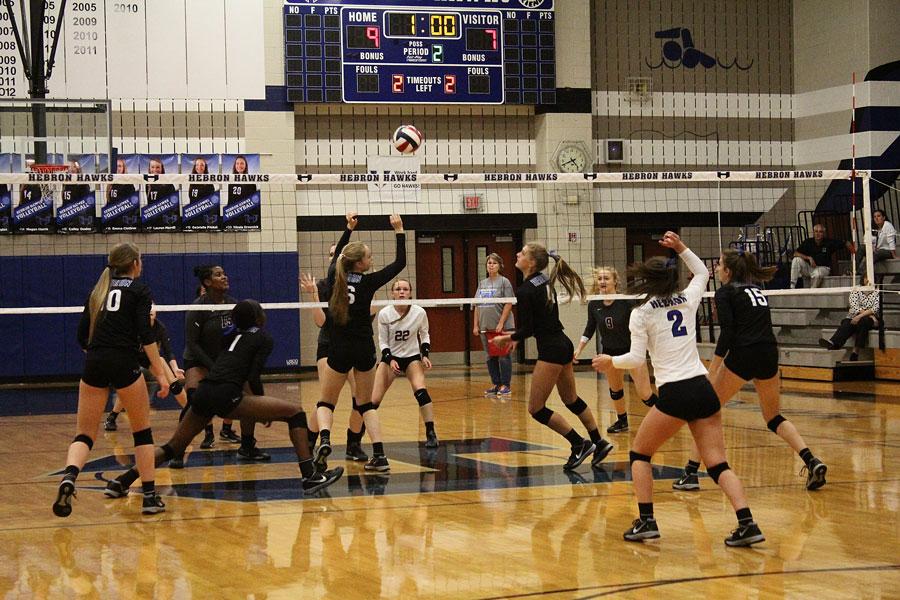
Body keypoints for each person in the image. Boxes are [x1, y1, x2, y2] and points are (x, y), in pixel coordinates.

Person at [592, 232, 764, 546]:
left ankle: (646, 521)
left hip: (675, 392)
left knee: (640, 454)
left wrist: (609, 361)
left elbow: (634, 358)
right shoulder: (687, 299)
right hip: (703, 389)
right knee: (717, 463)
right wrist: (682, 247)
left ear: (648, 280)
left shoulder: (641, 313)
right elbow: (702, 272)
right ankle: (747, 523)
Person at [103, 300, 344, 501]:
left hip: (205, 392)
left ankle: (121, 481)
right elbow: (252, 376)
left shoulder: (231, 337)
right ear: (258, 319)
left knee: (173, 447)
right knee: (295, 412)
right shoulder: (262, 338)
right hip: (226, 394)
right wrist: (260, 406)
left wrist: (259, 408)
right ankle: (309, 475)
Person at [673, 248, 827, 494]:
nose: (716, 269)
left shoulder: (725, 293)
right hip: (768, 353)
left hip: (744, 354)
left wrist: (712, 368)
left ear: (728, 270)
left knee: (705, 412)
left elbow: (728, 333)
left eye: (719, 264)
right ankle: (811, 460)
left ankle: (691, 473)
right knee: (773, 417)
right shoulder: (756, 290)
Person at [53, 242, 169, 517]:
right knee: (142, 432)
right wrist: (161, 374)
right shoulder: (140, 291)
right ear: (135, 264)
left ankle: (69, 476)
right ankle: (150, 497)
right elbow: (147, 336)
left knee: (84, 433)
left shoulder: (98, 291)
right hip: (124, 361)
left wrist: (100, 354)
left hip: (94, 360)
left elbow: (83, 337)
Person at [491, 244, 614, 471]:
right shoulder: (543, 281)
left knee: (536, 409)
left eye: (523, 253)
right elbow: (539, 321)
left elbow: (529, 328)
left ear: (532, 262)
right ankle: (599, 441)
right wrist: (517, 337)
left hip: (550, 350)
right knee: (571, 399)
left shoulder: (526, 289)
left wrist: (507, 338)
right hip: (562, 343)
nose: (517, 254)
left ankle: (579, 443)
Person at [313, 213, 406, 473]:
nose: (371, 259)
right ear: (360, 263)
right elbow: (400, 263)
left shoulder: (334, 276)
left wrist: (348, 229)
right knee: (365, 405)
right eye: (368, 256)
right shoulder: (369, 281)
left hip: (339, 348)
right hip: (364, 348)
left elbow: (337, 257)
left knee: (325, 403)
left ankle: (325, 441)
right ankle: (379, 456)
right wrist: (399, 230)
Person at [306, 224, 368, 463]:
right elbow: (321, 322)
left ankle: (354, 444)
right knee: (326, 398)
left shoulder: (361, 283)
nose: (336, 259)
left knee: (360, 398)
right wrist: (313, 297)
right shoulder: (324, 285)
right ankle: (314, 442)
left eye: (339, 254)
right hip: (329, 345)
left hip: (354, 345)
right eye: (333, 255)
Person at [573, 266, 656, 434]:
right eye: (600, 279)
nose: (602, 282)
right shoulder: (594, 303)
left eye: (606, 278)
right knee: (615, 390)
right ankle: (622, 421)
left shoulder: (626, 302)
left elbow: (643, 323)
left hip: (632, 351)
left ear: (615, 282)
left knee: (645, 393)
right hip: (609, 352)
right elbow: (590, 328)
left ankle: (666, 416)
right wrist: (578, 350)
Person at [183, 265, 252, 455]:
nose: (224, 277)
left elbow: (239, 336)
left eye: (224, 273)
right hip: (198, 359)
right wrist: (213, 368)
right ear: (207, 282)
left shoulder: (233, 305)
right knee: (195, 399)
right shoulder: (198, 307)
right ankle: (178, 449)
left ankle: (247, 446)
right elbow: (192, 344)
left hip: (222, 360)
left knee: (249, 395)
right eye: (218, 275)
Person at [372, 279, 439, 448]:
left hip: (411, 357)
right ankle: (356, 439)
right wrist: (390, 359)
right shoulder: (385, 313)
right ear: (392, 293)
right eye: (398, 289)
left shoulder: (419, 312)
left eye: (405, 289)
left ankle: (431, 433)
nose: (402, 292)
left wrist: (425, 355)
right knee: (374, 400)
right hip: (390, 358)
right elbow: (383, 341)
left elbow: (425, 335)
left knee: (421, 390)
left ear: (410, 293)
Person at [104, 304, 187, 431]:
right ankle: (112, 417)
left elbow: (168, 351)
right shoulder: (135, 326)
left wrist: (175, 368)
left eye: (152, 308)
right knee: (129, 387)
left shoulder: (160, 328)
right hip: (132, 357)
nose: (150, 311)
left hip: (149, 358)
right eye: (147, 308)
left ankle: (189, 413)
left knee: (165, 368)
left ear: (156, 311)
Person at [473, 253, 515, 398]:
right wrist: (475, 325)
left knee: (503, 356)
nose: (491, 265)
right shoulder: (482, 283)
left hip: (502, 326)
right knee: (490, 356)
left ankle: (506, 385)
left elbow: (509, 303)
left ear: (500, 266)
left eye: (494, 263)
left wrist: (502, 323)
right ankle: (496, 384)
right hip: (486, 326)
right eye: (489, 263)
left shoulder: (504, 282)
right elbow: (477, 305)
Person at [819, 276, 879, 361]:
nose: (868, 280)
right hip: (858, 316)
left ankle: (855, 351)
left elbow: (875, 308)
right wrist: (868, 315)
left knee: (863, 321)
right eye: (866, 277)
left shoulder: (877, 291)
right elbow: (854, 306)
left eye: (870, 277)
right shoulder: (856, 289)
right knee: (847, 323)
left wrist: (860, 316)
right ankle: (834, 343)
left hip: (868, 319)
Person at [789, 224, 850, 288]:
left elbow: (846, 243)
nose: (818, 234)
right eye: (816, 231)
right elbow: (795, 253)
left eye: (820, 232)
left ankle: (812, 291)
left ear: (823, 233)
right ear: (813, 233)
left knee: (817, 273)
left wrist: (854, 252)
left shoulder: (829, 243)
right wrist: (808, 258)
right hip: (810, 267)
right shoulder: (808, 242)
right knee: (796, 260)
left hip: (823, 268)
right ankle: (792, 286)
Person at [857, 209, 896, 277]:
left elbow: (891, 241)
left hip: (886, 250)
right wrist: (871, 247)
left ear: (883, 217)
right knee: (861, 247)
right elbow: (866, 240)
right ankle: (855, 269)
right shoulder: (872, 227)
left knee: (877, 253)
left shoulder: (887, 225)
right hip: (876, 250)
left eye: (878, 216)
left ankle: (864, 272)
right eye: (874, 217)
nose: (876, 218)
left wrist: (894, 255)